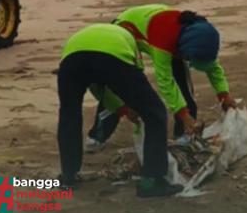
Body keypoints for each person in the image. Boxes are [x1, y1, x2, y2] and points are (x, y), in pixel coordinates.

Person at [86, 4, 237, 151]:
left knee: (185, 89)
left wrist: (224, 95)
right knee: (121, 88)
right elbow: (165, 82)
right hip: (126, 32)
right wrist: (183, 114)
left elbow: (213, 67)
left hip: (166, 32)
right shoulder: (163, 40)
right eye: (188, 58)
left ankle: (184, 135)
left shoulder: (201, 39)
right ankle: (97, 136)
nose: (188, 62)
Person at [56, 23, 182, 198]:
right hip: (112, 58)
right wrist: (134, 106)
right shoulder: (128, 39)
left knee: (69, 114)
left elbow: (97, 88)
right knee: (155, 113)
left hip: (71, 61)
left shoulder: (90, 33)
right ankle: (151, 182)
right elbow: (137, 76)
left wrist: (122, 108)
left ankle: (68, 176)